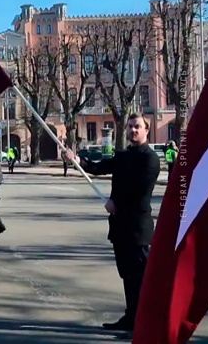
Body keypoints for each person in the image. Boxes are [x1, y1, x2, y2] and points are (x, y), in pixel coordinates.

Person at [62, 113, 160, 331]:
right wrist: (77, 161)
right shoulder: (125, 156)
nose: (133, 130)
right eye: (131, 126)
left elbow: (140, 195)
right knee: (127, 276)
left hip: (137, 230)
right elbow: (99, 167)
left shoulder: (149, 159)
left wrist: (116, 204)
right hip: (120, 228)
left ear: (146, 130)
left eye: (138, 127)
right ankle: (130, 317)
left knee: (139, 279)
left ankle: (143, 322)